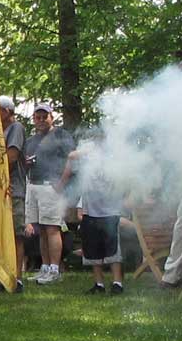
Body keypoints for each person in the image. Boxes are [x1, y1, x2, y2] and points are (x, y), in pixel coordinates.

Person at [63, 143, 126, 294]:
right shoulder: (85, 165)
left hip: (110, 213)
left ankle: (117, 283)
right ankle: (99, 285)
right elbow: (71, 156)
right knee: (92, 252)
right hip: (89, 213)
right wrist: (87, 150)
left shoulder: (113, 166)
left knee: (113, 252)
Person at [23, 103, 75, 285]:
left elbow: (73, 158)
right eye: (37, 117)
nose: (41, 120)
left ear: (51, 117)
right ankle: (44, 268)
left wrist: (61, 183)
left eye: (44, 116)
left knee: (52, 228)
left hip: (50, 187)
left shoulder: (61, 135)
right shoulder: (30, 141)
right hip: (34, 185)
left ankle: (55, 269)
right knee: (41, 231)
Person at [0, 96, 27, 291]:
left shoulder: (16, 128)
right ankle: (5, 276)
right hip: (2, 189)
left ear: (7, 111)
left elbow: (12, 156)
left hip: (14, 189)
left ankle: (17, 278)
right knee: (4, 235)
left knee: (16, 236)